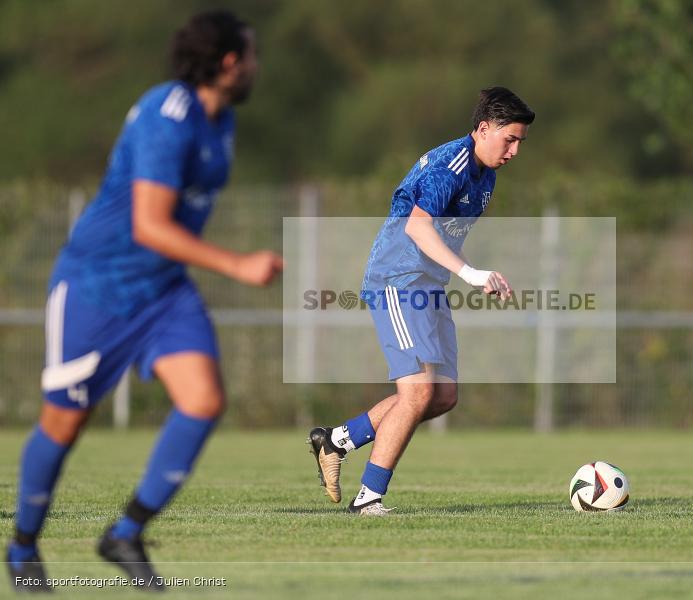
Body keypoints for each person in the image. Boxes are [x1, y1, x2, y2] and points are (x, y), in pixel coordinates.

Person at [5, 10, 282, 592]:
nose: (258, 65)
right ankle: (22, 549)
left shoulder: (221, 120)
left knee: (204, 401)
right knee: (65, 423)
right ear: (229, 62)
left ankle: (125, 534)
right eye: (252, 55)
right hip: (97, 287)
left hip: (163, 292)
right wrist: (237, 264)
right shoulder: (168, 115)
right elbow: (150, 225)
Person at [308, 87, 534, 515]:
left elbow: (443, 238)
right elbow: (417, 229)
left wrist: (474, 273)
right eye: (510, 139)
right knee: (416, 394)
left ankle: (337, 441)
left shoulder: (485, 176)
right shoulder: (452, 166)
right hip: (398, 279)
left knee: (442, 396)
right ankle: (368, 499)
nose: (516, 150)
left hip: (429, 285)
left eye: (521, 141)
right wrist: (468, 274)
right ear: (483, 128)